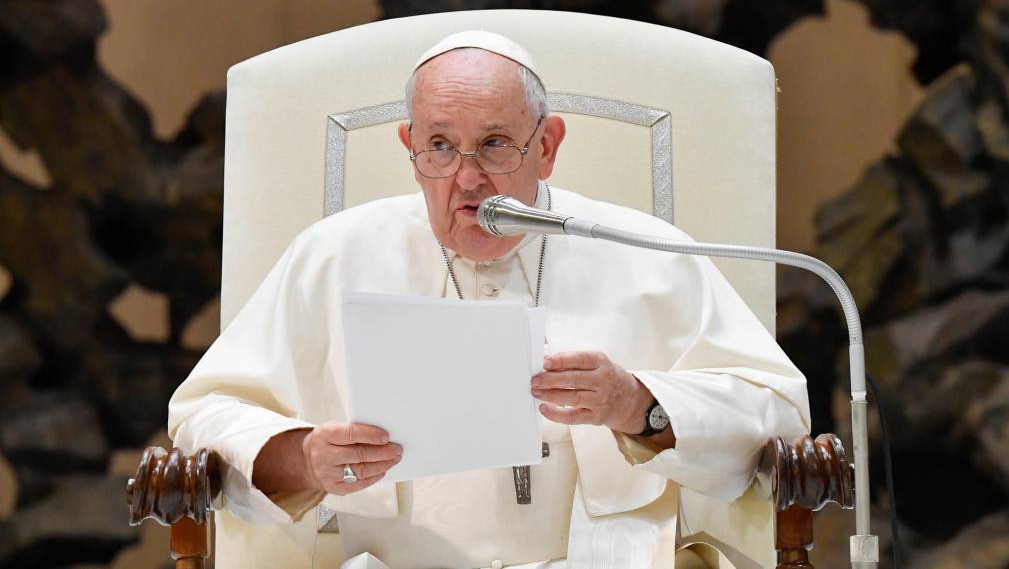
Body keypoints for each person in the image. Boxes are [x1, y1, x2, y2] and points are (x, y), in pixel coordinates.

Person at [168, 31, 810, 569]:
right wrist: (302, 455)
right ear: (409, 149)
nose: (467, 179)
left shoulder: (643, 250)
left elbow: (780, 414)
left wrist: (637, 404)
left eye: (496, 144)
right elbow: (204, 413)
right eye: (441, 147)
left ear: (548, 146)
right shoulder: (334, 254)